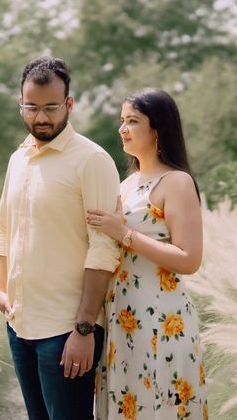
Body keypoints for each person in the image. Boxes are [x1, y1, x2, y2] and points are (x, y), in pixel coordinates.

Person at [0, 57, 122, 420]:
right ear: (21, 104)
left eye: (51, 107)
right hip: (19, 326)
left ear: (69, 104)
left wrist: (83, 327)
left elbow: (104, 246)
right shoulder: (18, 158)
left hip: (66, 331)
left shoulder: (91, 160)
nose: (41, 117)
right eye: (31, 107)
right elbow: (3, 225)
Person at [87, 88, 207, 420]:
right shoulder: (125, 185)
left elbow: (189, 258)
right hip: (120, 318)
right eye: (122, 121)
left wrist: (124, 234)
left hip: (160, 318)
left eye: (132, 121)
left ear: (157, 129)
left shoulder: (176, 182)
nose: (122, 129)